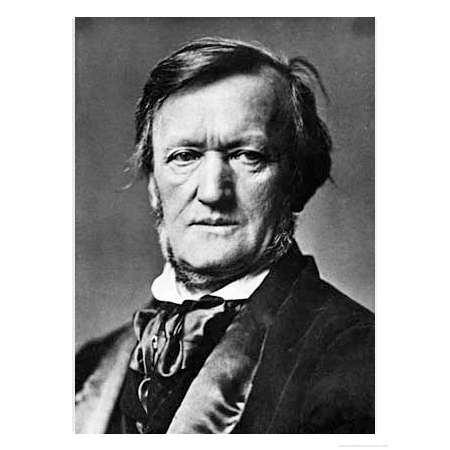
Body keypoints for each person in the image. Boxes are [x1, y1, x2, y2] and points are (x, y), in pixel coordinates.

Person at [75, 37, 375, 434]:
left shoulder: (363, 360)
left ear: (297, 183)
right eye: (184, 156)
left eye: (248, 156)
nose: (213, 191)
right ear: (153, 186)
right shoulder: (88, 369)